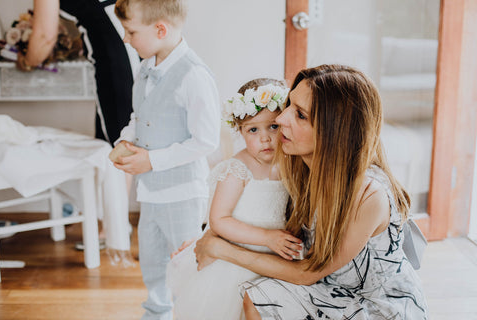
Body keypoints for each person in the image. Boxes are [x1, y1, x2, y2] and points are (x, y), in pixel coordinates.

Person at [194, 64, 429, 319]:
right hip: (332, 288)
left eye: (300, 115)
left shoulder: (368, 195)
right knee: (254, 291)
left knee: (261, 297)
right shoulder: (301, 165)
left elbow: (307, 273)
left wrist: (220, 249)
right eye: (289, 106)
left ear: (334, 132)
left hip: (377, 306)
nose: (281, 118)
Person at [112, 0, 220, 319]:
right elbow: (139, 115)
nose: (125, 39)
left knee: (185, 262)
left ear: (160, 29)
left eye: (131, 31)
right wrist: (125, 138)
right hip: (151, 192)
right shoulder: (146, 68)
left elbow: (205, 140)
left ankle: (191, 312)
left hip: (182, 192)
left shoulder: (194, 75)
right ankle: (157, 312)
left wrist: (152, 161)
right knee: (153, 261)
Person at [166, 78, 300, 320]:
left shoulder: (291, 163)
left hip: (273, 257)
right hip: (235, 258)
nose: (265, 138)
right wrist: (267, 237)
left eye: (273, 127)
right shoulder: (237, 168)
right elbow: (219, 220)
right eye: (253, 130)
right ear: (240, 131)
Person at [15, 0, 140, 145]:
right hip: (148, 43)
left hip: (119, 55)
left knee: (120, 143)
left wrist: (27, 60)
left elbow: (44, 37)